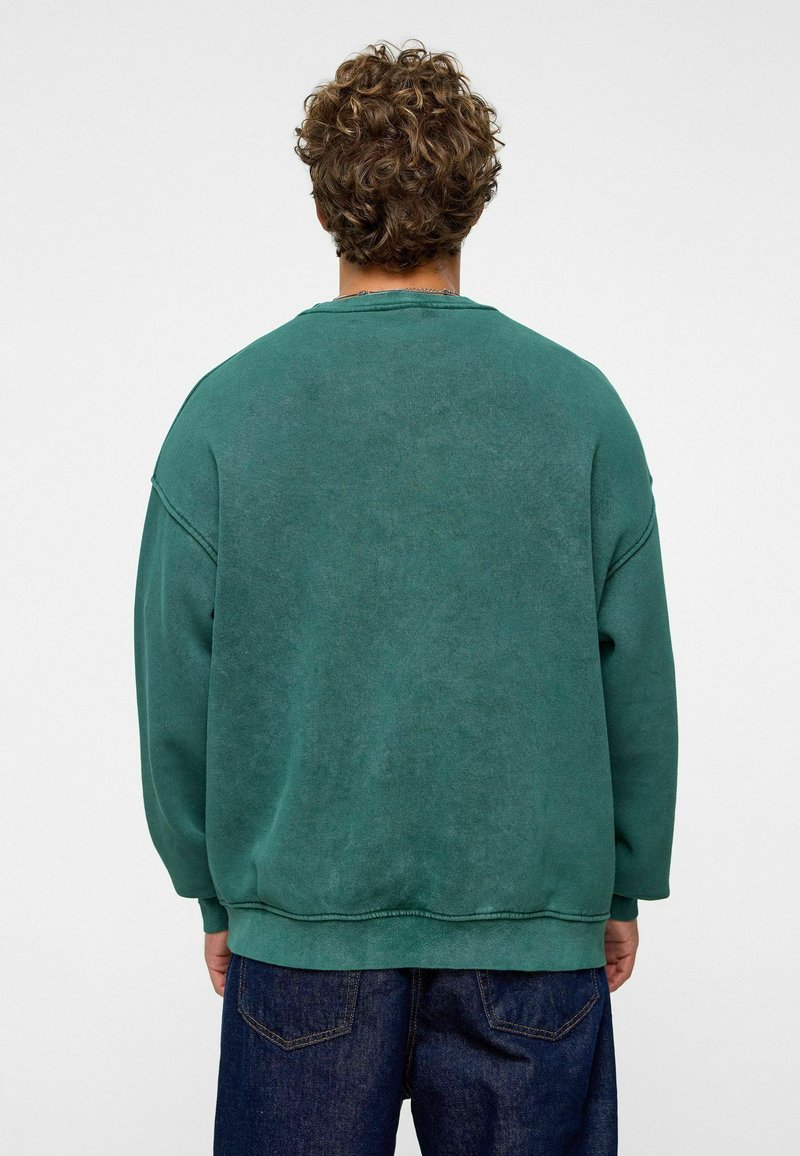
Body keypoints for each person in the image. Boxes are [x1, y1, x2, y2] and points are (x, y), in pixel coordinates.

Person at [133, 39, 679, 1156]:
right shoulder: (579, 409)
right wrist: (618, 884)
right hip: (530, 934)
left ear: (323, 202)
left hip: (303, 933)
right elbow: (636, 674)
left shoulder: (225, 414)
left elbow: (172, 685)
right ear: (473, 200)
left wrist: (215, 891)